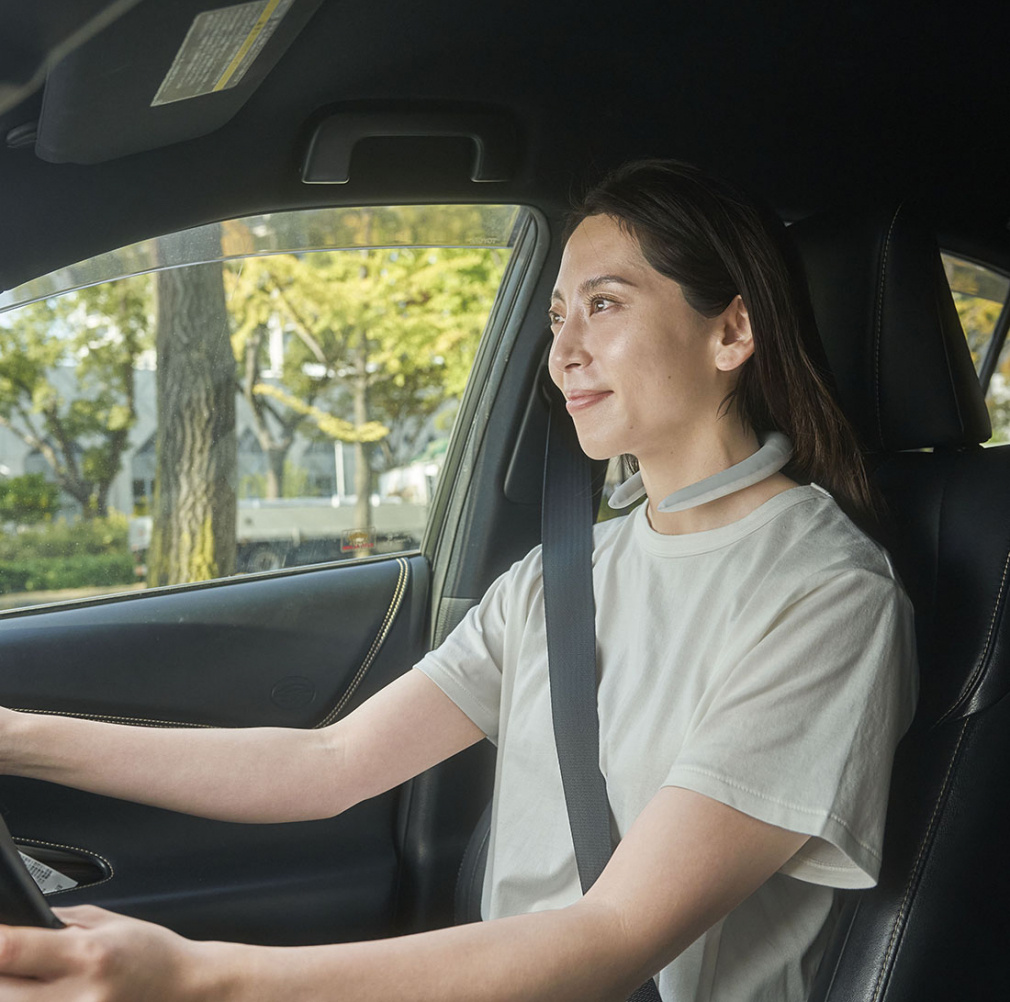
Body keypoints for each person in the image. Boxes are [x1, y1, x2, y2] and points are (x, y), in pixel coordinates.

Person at [0, 160, 916, 1001]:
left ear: (733, 330)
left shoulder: (827, 599)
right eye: (556, 317)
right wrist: (18, 737)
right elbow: (326, 767)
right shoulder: (563, 578)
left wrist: (200, 978)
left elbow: (615, 936)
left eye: (604, 304)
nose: (562, 353)